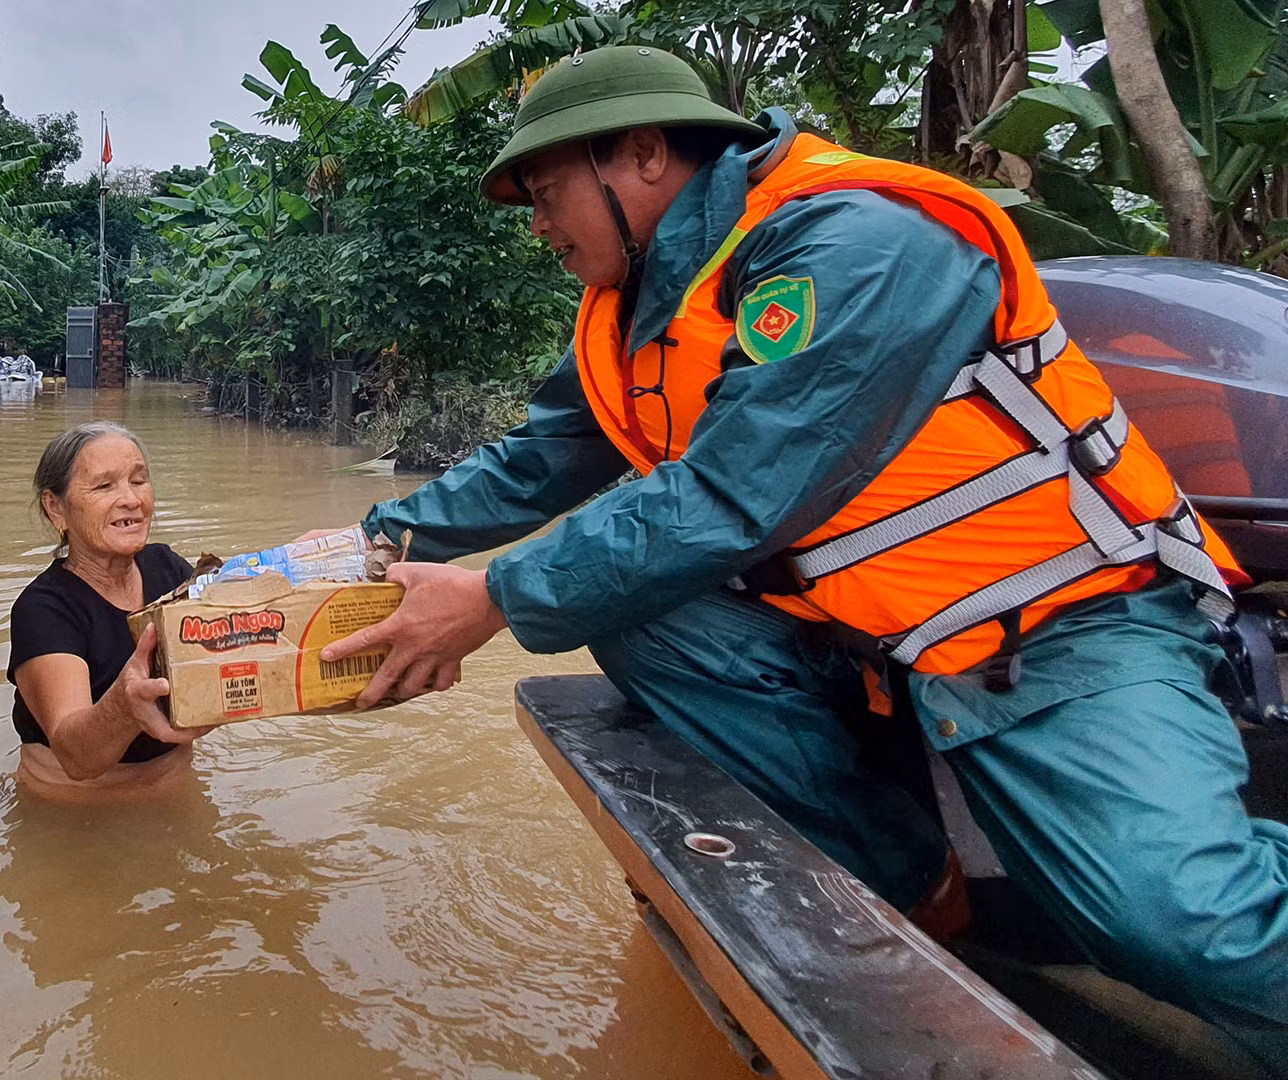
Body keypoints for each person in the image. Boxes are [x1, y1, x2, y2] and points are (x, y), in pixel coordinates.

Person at [311, 45, 1288, 1071]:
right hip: (875, 635)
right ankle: (912, 889)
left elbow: (734, 492)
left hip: (1058, 631)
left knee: (1178, 921)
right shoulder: (634, 308)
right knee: (636, 604)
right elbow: (538, 460)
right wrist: (367, 542)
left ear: (641, 155)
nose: (542, 228)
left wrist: (493, 597)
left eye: (548, 194)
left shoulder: (856, 241)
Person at [9, 422, 207, 795]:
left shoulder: (168, 569)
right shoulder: (44, 610)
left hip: (176, 794)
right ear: (56, 509)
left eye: (138, 480)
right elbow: (76, 757)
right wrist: (123, 705)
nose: (131, 499)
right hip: (74, 817)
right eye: (104, 486)